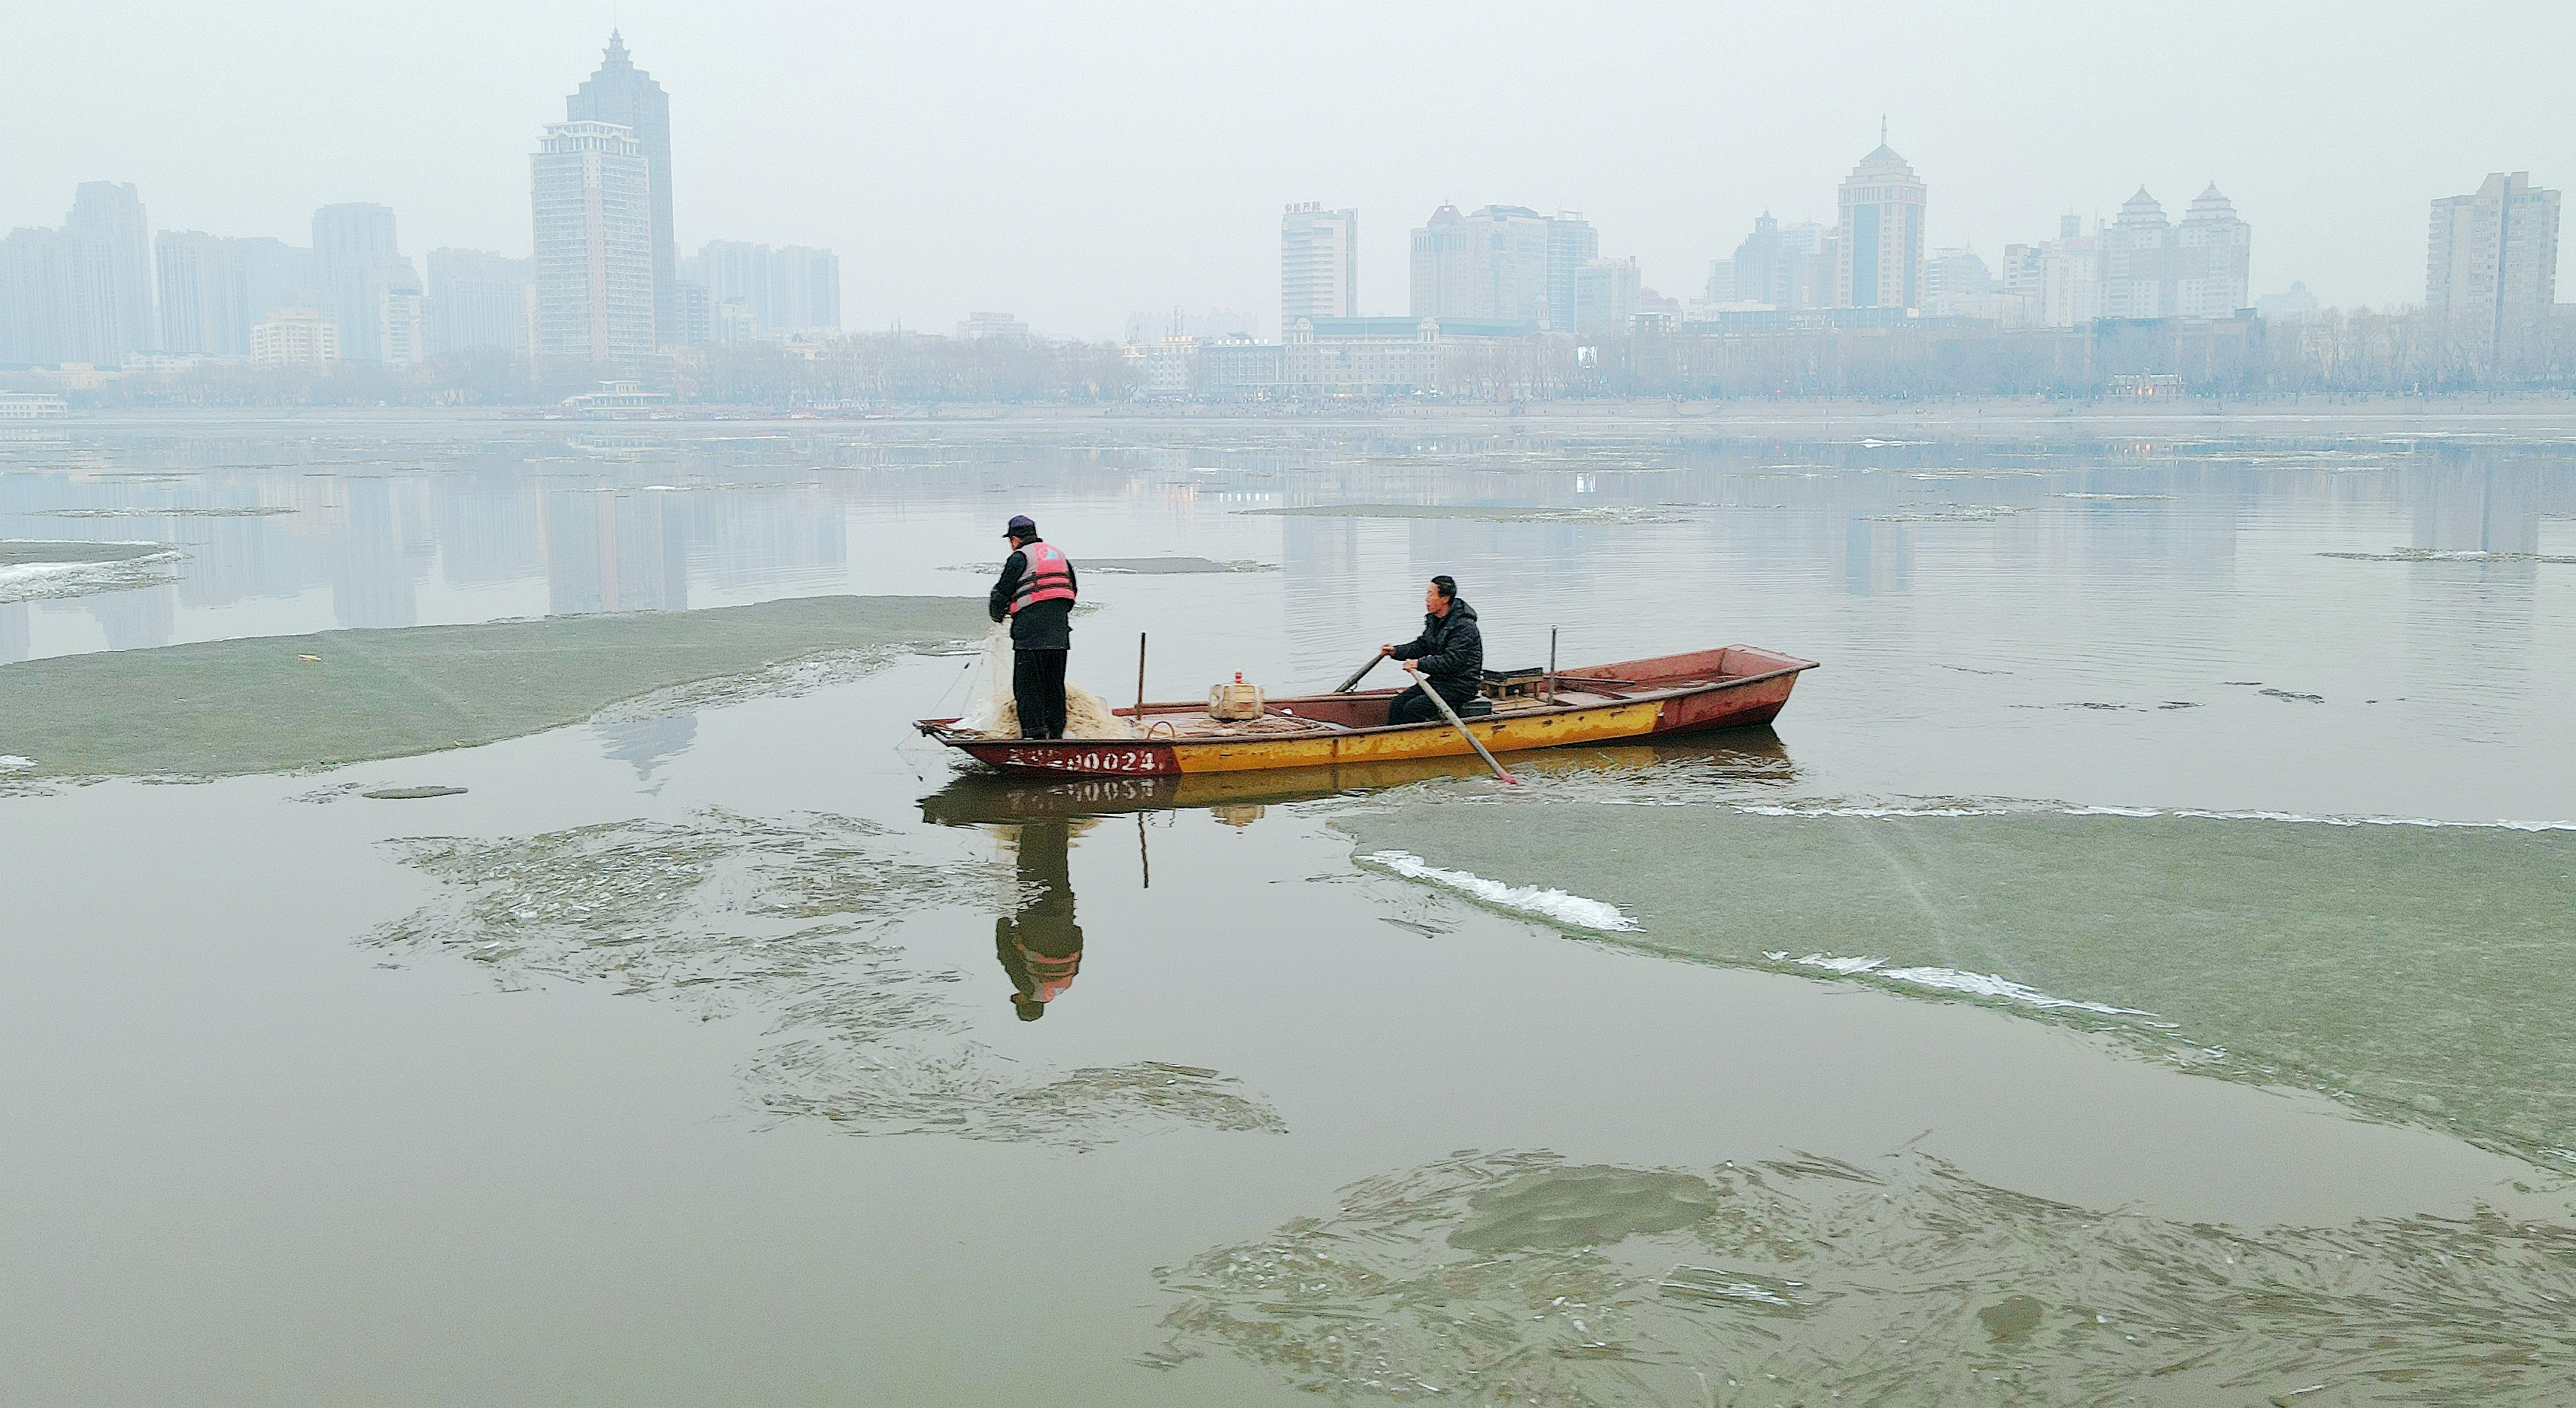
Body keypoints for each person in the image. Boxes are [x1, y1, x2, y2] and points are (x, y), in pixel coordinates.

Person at [987, 514, 1078, 739]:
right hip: (1059, 636)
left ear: (1015, 540)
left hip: (1030, 637)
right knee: (1054, 687)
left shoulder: (1019, 558)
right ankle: (1056, 734)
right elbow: (1071, 591)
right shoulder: (1059, 556)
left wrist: (997, 615)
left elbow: (1001, 592)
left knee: (1028, 688)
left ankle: (1033, 736)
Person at [994, 820, 1083, 1021]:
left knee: (1057, 863)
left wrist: (1065, 924)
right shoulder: (1028, 987)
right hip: (1034, 916)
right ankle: (1032, 818)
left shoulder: (1065, 984)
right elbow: (1006, 955)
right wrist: (1003, 922)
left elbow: (1078, 940)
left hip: (1063, 910)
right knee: (1030, 865)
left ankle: (1058, 821)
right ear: (1024, 1002)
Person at [1380, 574, 1484, 726]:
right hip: (1440, 681)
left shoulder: (1464, 626)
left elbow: (1451, 661)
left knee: (1413, 708)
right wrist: (1396, 651)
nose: (1427, 599)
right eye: (1427, 594)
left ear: (1445, 598)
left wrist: (1419, 664)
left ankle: (1421, 743)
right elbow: (1422, 645)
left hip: (1461, 686)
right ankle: (1394, 743)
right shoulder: (1435, 620)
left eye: (1431, 594)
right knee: (1397, 703)